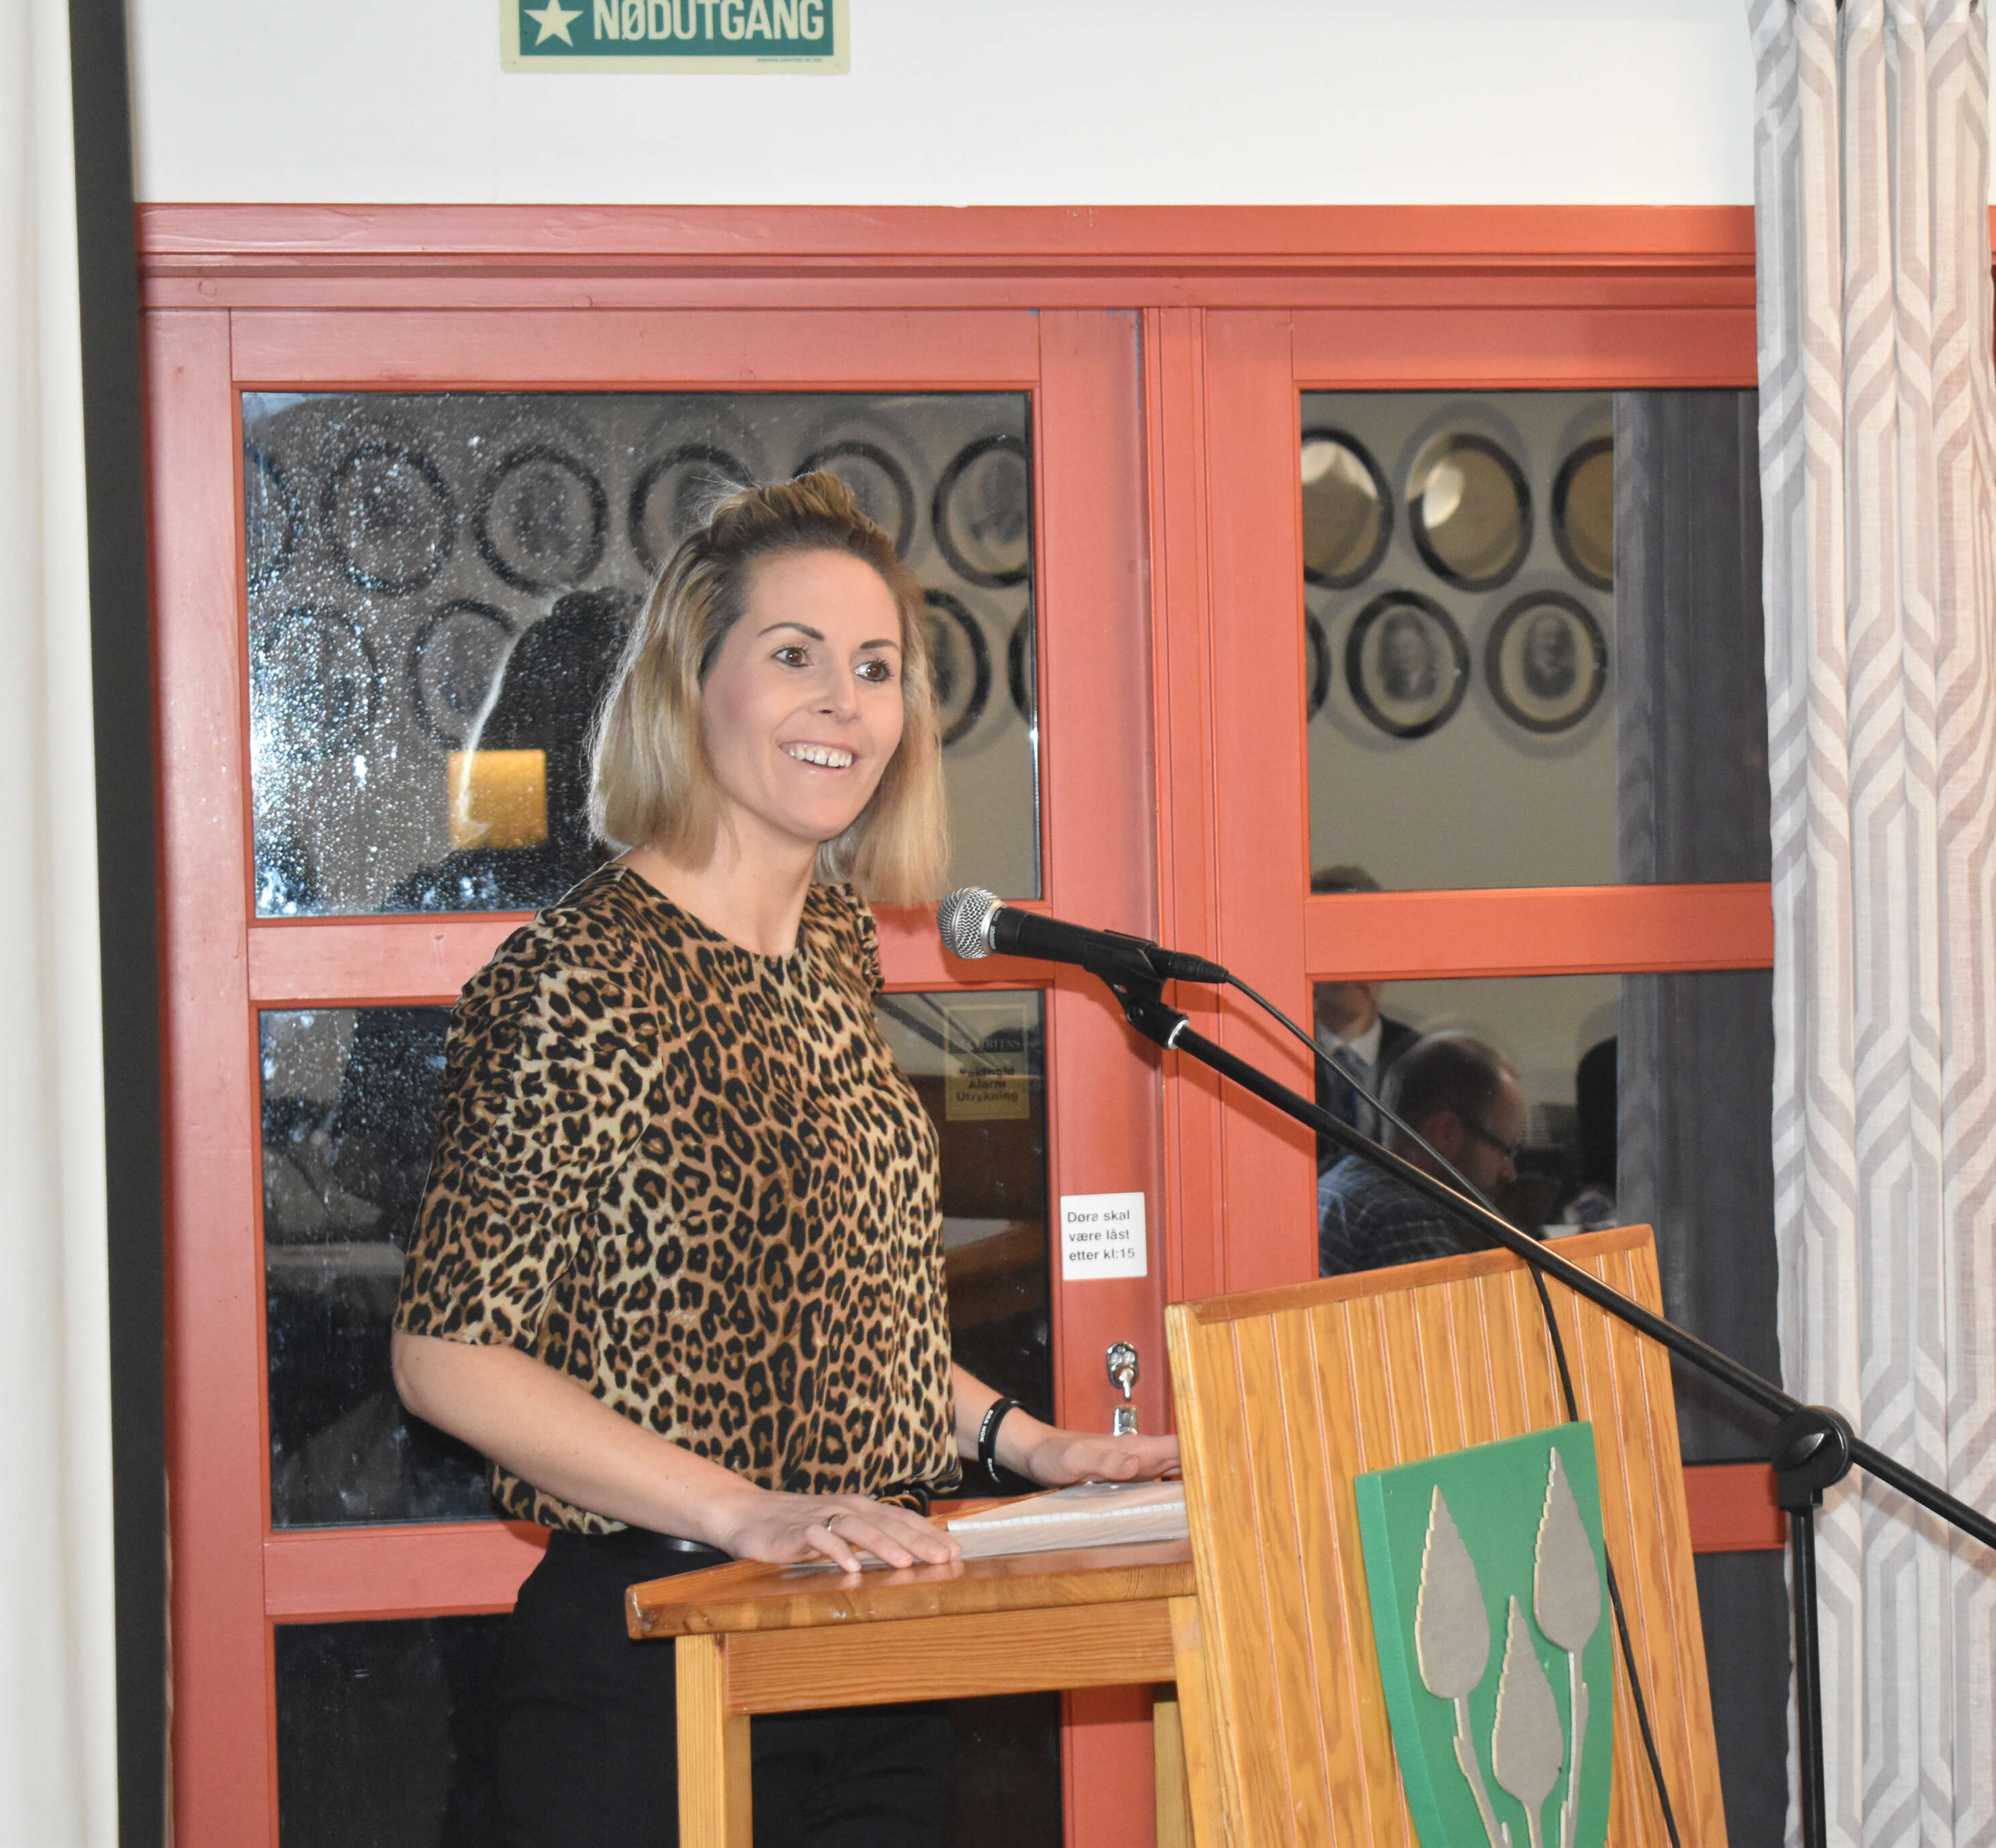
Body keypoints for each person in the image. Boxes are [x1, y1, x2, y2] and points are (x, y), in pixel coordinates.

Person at [389, 473, 1176, 1848]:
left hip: (865, 1636)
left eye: (875, 668)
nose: (843, 703)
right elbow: (448, 1354)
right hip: (654, 1650)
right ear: (693, 685)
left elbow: (838, 1317)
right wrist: (748, 1512)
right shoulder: (575, 977)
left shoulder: (831, 953)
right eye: (795, 655)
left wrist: (1032, 1443)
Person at [1317, 1032, 1527, 1276]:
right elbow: (1446, 1302)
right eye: (1504, 1150)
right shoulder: (1404, 1216)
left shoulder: (1344, 1177)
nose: (1510, 1173)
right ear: (1444, 1132)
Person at [1308, 865, 1422, 1165]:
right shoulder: (1281, 1053)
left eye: (1363, 943)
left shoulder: (1422, 1061)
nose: (1350, 964)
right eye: (1335, 943)